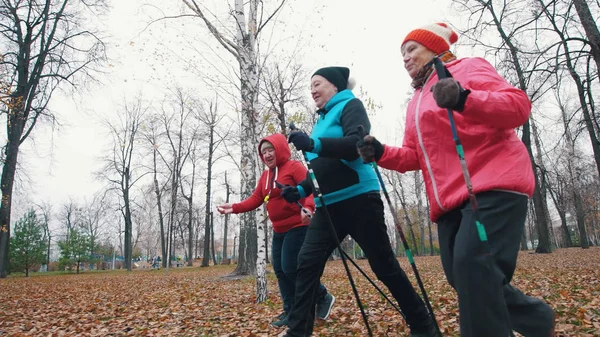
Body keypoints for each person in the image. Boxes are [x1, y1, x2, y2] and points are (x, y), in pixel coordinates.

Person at [357, 23, 555, 337]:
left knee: (473, 267)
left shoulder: (467, 68)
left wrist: (464, 98)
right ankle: (536, 319)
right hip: (449, 199)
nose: (405, 58)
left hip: (493, 182)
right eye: (402, 54)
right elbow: (414, 155)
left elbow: (517, 107)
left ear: (435, 47)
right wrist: (380, 152)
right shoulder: (417, 100)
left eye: (412, 49)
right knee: (463, 276)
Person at [280, 66, 439, 337]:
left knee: (383, 266)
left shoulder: (350, 105)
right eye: (311, 86)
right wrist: (300, 189)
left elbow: (354, 144)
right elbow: (321, 166)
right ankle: (297, 332)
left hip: (359, 199)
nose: (313, 90)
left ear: (336, 86)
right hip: (328, 205)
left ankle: (424, 326)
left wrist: (313, 143)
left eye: (318, 84)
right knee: (305, 263)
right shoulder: (320, 120)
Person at [216, 133, 335, 328]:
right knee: (280, 270)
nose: (267, 155)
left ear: (279, 149)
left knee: (291, 268)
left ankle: (322, 296)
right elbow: (255, 199)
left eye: (270, 150)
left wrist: (309, 207)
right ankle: (291, 311)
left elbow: (312, 187)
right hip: (279, 230)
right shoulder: (265, 176)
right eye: (263, 152)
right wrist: (234, 207)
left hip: (298, 226)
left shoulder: (294, 167)